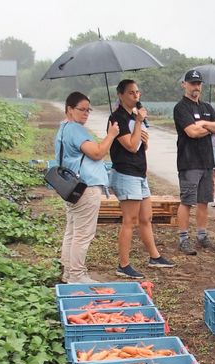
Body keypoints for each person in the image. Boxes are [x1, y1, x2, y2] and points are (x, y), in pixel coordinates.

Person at [106, 79, 174, 279]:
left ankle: (155, 256)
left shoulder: (136, 116)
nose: (135, 96)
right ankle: (123, 264)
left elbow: (139, 145)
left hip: (139, 172)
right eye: (130, 93)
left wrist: (144, 141)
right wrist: (137, 123)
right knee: (130, 220)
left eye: (137, 93)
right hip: (126, 174)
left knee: (146, 217)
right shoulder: (116, 118)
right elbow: (128, 145)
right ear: (120, 95)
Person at [54, 91, 118, 284]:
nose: (86, 113)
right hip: (85, 188)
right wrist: (112, 134)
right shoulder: (76, 130)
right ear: (69, 110)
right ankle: (77, 275)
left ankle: (68, 271)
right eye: (81, 109)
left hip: (70, 187)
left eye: (88, 110)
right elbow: (97, 153)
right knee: (83, 234)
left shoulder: (63, 128)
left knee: (72, 231)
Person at [173, 69, 215, 255]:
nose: (196, 86)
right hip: (189, 161)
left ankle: (202, 236)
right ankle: (183, 238)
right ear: (184, 84)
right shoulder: (181, 108)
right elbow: (191, 132)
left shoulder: (206, 107)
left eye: (198, 83)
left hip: (206, 160)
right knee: (187, 201)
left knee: (204, 200)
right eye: (192, 83)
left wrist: (204, 125)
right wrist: (208, 126)